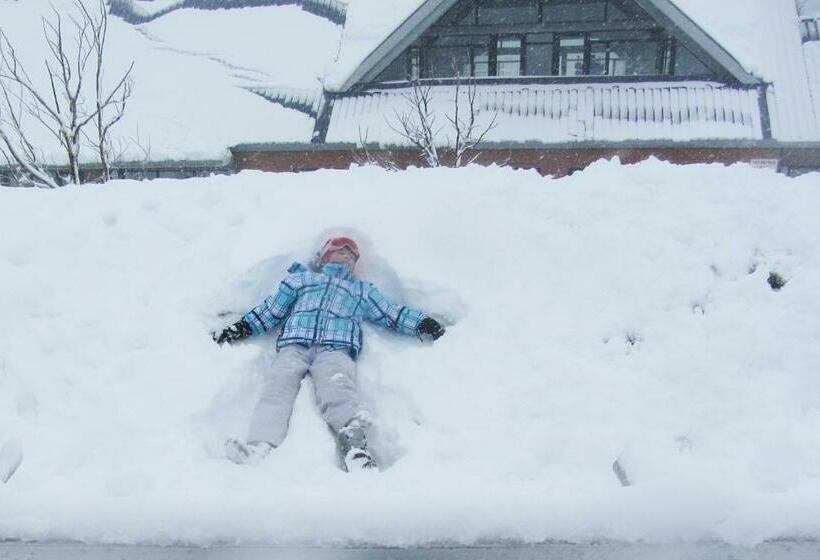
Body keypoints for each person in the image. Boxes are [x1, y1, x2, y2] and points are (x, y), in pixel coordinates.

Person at [213, 236, 445, 471]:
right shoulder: (302, 280)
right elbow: (271, 310)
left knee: (338, 389)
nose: (346, 254)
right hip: (295, 345)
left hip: (335, 348)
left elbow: (391, 313)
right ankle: (259, 446)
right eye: (339, 250)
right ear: (322, 257)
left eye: (351, 254)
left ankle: (355, 449)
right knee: (277, 386)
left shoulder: (361, 291)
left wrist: (421, 323)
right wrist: (241, 328)